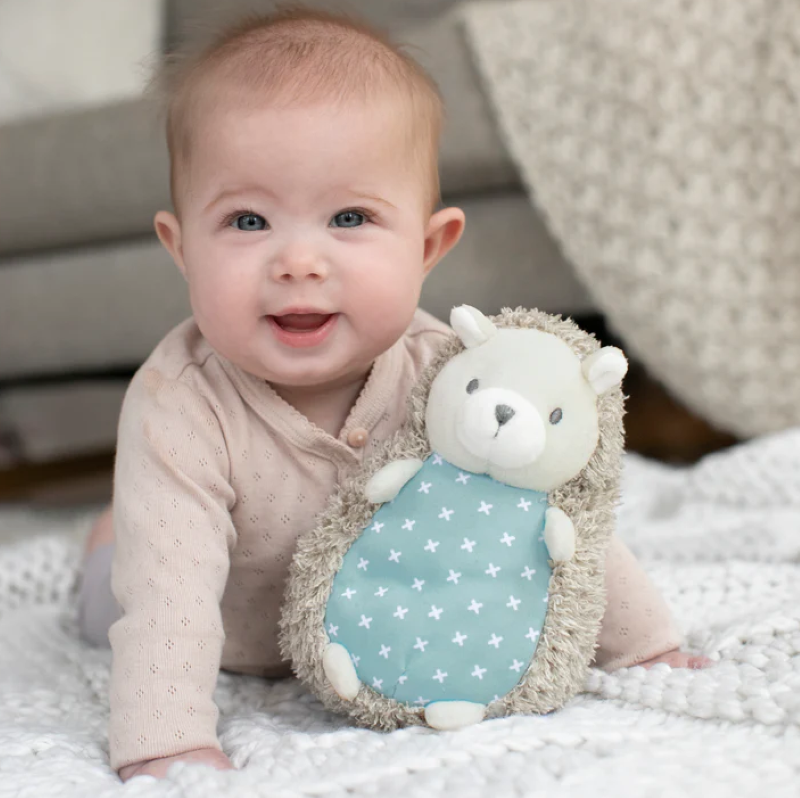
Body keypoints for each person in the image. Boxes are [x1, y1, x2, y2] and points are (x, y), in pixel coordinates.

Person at [76, 7, 707, 782]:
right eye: (247, 220)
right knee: (108, 603)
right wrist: (165, 739)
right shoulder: (180, 405)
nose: (299, 260)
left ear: (429, 245)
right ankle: (109, 537)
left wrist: (643, 644)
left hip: (376, 628)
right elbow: (167, 602)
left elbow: (555, 513)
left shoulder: (455, 374)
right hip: (241, 637)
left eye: (350, 217)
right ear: (181, 249)